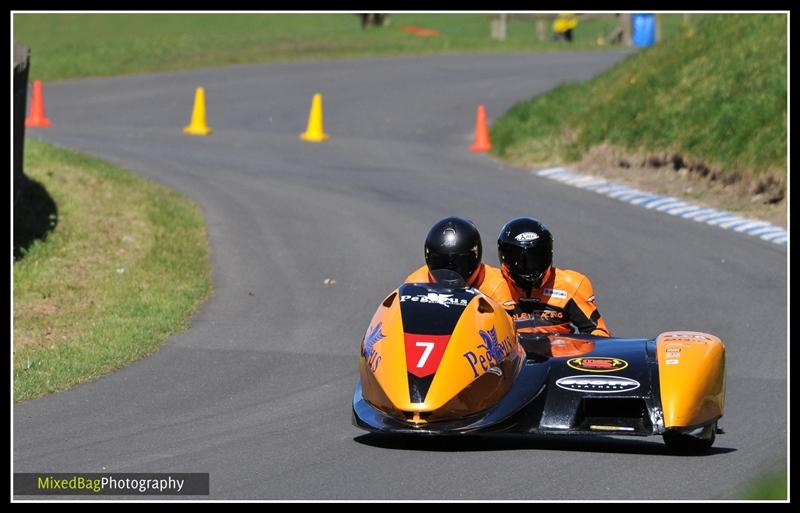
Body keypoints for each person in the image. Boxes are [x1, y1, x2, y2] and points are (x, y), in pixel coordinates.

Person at [497, 217, 611, 336]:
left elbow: (599, 333)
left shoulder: (571, 284)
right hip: (512, 353)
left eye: (536, 258)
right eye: (520, 261)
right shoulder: (491, 285)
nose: (529, 267)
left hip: (559, 353)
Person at [405, 216, 513, 307]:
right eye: (442, 262)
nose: (451, 271)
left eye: (460, 263)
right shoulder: (415, 284)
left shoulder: (495, 285)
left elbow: (508, 326)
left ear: (476, 255)